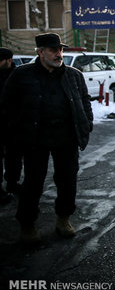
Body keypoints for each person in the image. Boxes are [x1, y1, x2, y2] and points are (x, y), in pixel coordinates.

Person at [0, 33, 93, 244]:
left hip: (66, 137)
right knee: (33, 182)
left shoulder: (73, 75)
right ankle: (27, 224)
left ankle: (63, 218)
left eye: (60, 49)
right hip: (35, 139)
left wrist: (87, 122)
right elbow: (7, 105)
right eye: (53, 50)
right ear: (40, 52)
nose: (58, 54)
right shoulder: (22, 75)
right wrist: (16, 130)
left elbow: (84, 101)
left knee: (67, 181)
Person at [0, 47, 18, 204]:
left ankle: (13, 184)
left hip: (13, 125)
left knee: (14, 157)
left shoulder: (18, 76)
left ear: (8, 61)